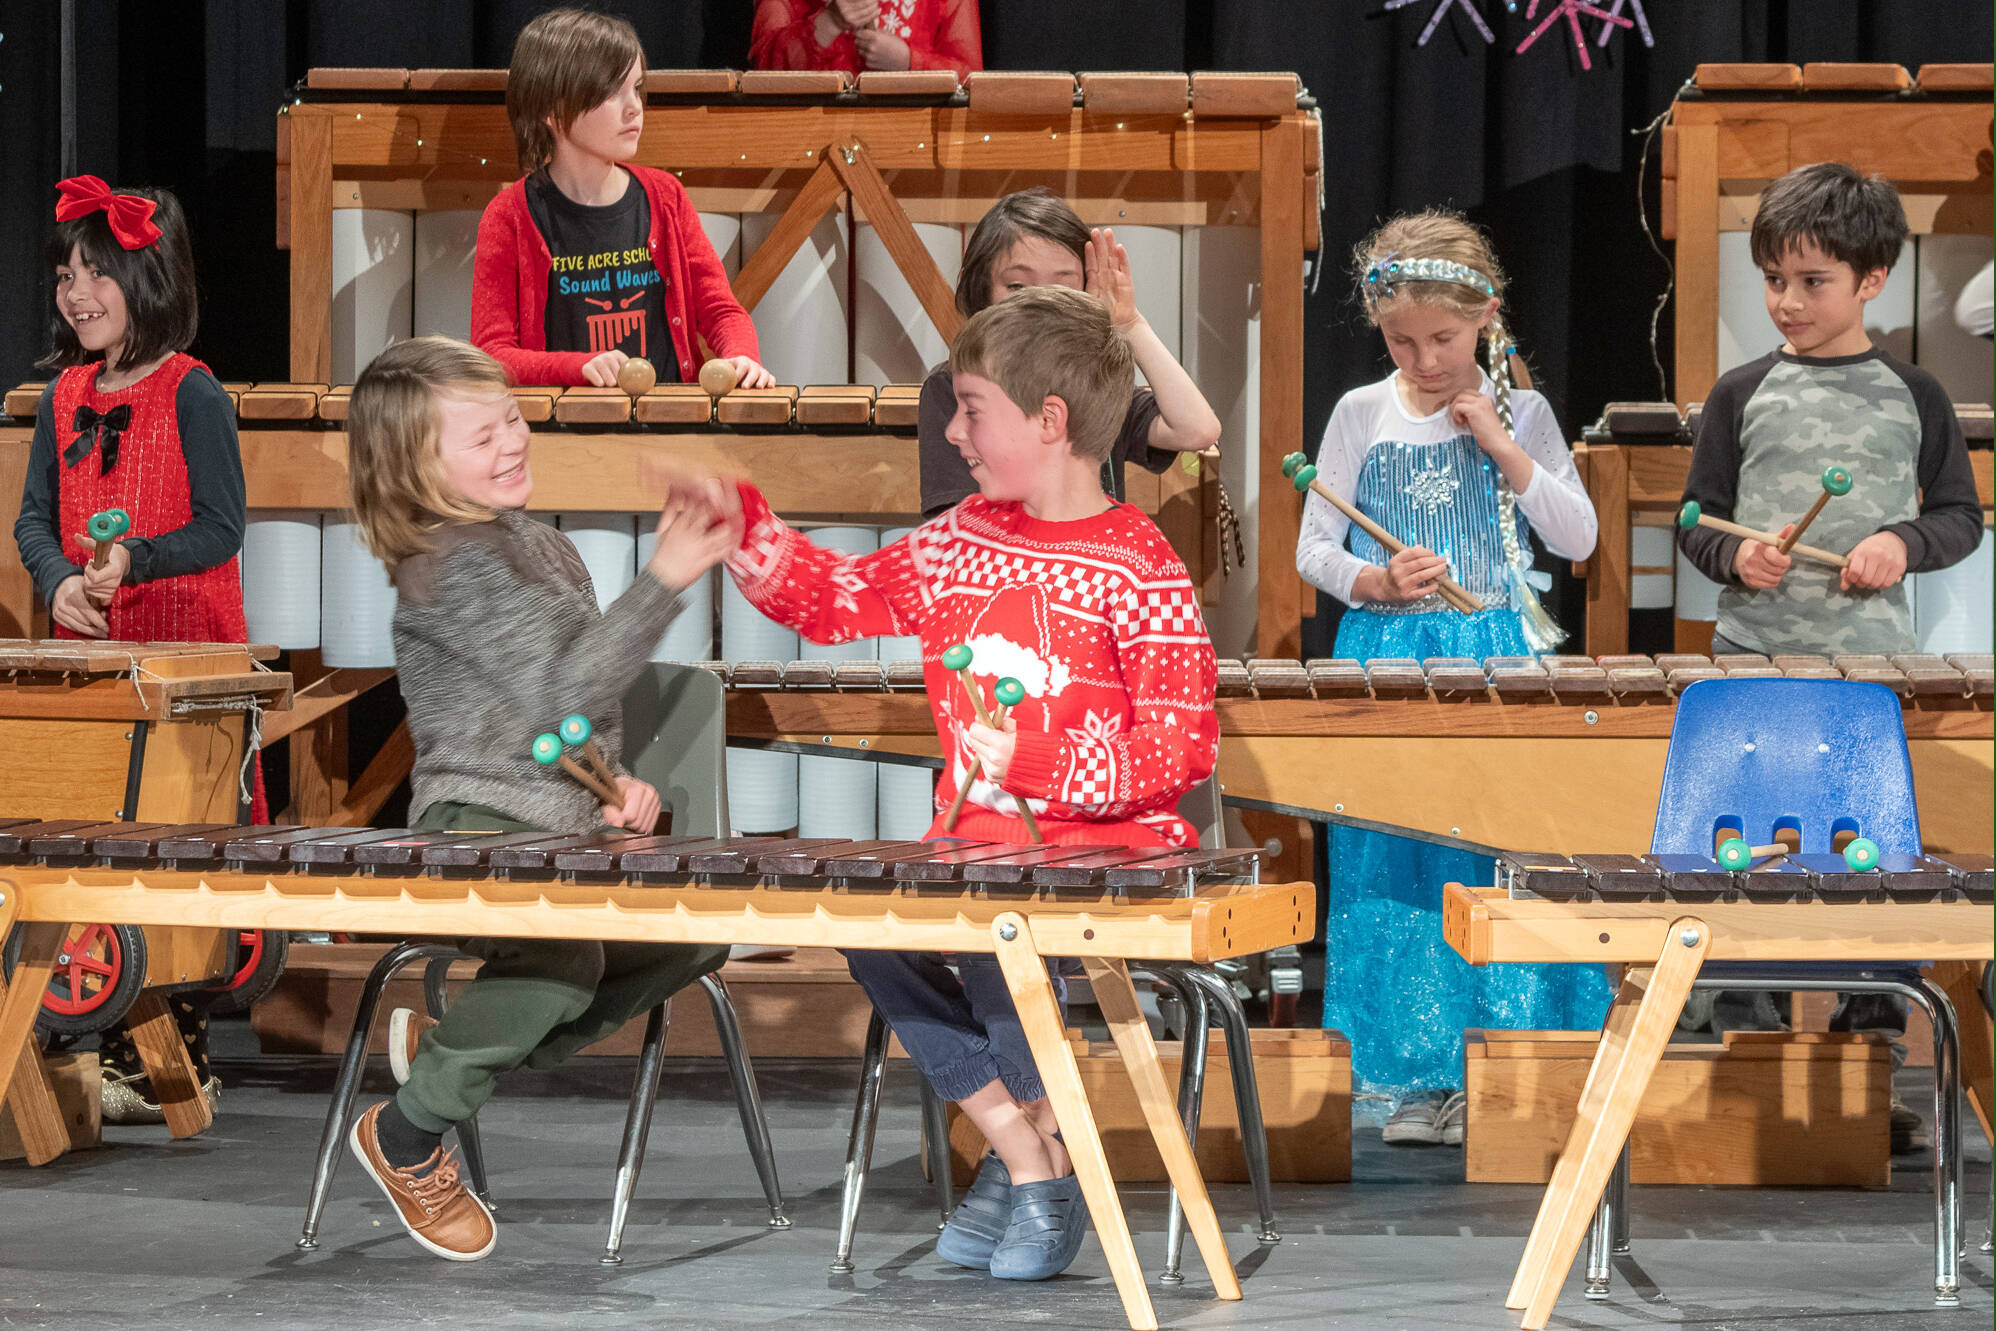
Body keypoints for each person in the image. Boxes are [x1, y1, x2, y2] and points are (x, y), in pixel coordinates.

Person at [722, 286, 1217, 1280]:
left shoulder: (1141, 565)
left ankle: (1031, 1165)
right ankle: (1031, 1146)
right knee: (857, 914)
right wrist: (740, 525)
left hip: (1113, 851)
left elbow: (1179, 750)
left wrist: (1032, 765)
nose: (951, 430)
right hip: (980, 850)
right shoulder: (957, 539)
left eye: (972, 407)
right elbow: (835, 601)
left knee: (995, 917)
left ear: (1050, 422)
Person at [340, 336, 741, 1261]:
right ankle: (406, 1132)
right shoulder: (445, 564)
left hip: (555, 817)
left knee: (700, 927)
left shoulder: (546, 546)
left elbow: (568, 720)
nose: (514, 440)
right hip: (471, 820)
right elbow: (555, 698)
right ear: (419, 468)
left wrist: (615, 785)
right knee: (564, 959)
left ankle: (456, 1052)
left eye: (512, 417)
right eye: (482, 436)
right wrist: (665, 578)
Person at [1675, 162, 1982, 1152]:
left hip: (1864, 680)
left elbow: (1957, 518)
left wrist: (1900, 541)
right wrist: (1735, 552)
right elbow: (1696, 517)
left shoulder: (1913, 393)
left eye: (1811, 280)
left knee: (1865, 871)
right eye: (1774, 278)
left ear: (1871, 278)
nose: (1787, 301)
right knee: (1739, 859)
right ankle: (1746, 1056)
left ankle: (1869, 1072)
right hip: (1750, 663)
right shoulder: (1741, 390)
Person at [1294, 210, 1608, 1146]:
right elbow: (1315, 544)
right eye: (1402, 340)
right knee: (1392, 866)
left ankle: (1501, 1058)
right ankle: (1412, 1075)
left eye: (1443, 338)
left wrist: (1503, 445)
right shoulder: (1360, 413)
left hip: (1495, 660)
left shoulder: (1527, 414)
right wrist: (1374, 577)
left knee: (1489, 858)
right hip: (1386, 657)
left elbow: (1579, 538)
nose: (1425, 359)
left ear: (1486, 318)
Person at [14, 175, 256, 1126]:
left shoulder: (192, 390)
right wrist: (61, 581)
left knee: (171, 846)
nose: (76, 293)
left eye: (95, 273)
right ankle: (76, 1034)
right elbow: (36, 518)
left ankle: (167, 1050)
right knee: (87, 835)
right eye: (65, 274)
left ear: (145, 276)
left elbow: (223, 526)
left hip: (184, 654)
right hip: (93, 658)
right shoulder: (61, 395)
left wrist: (136, 559)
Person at [472, 8, 772, 390]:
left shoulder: (666, 197)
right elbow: (492, 354)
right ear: (551, 107)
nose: (635, 107)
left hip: (667, 426)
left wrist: (740, 355)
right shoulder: (508, 216)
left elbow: (719, 309)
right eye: (613, 92)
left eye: (636, 87)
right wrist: (577, 367)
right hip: (566, 432)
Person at [919, 188, 1222, 520]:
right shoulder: (954, 387)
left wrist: (1129, 323)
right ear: (982, 289)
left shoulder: (1096, 383)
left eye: (1061, 287)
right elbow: (957, 529)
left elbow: (1197, 429)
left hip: (1091, 569)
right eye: (1017, 286)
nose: (1040, 304)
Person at [750, 0, 983, 77]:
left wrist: (909, 61)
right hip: (802, 141)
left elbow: (972, 79)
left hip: (912, 145)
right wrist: (828, 23)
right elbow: (762, 74)